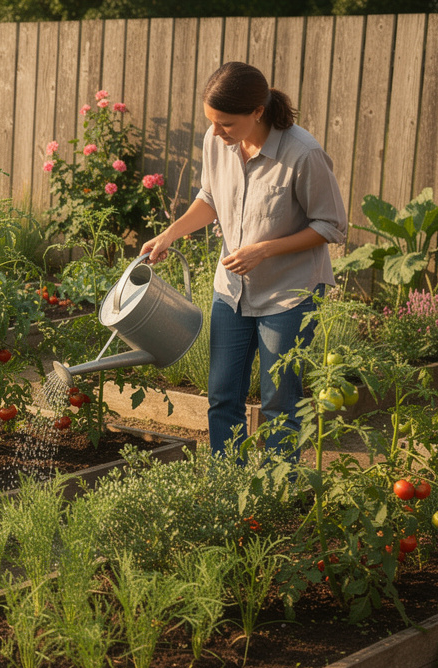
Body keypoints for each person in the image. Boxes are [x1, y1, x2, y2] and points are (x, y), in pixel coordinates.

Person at [140, 61, 347, 457]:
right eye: (212, 122)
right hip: (231, 291)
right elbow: (210, 198)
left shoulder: (303, 153)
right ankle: (226, 486)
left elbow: (332, 225)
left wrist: (264, 249)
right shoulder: (217, 140)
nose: (216, 133)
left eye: (226, 124)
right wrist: (170, 234)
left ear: (257, 111)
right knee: (221, 396)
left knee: (279, 403)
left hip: (289, 295)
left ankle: (275, 494)